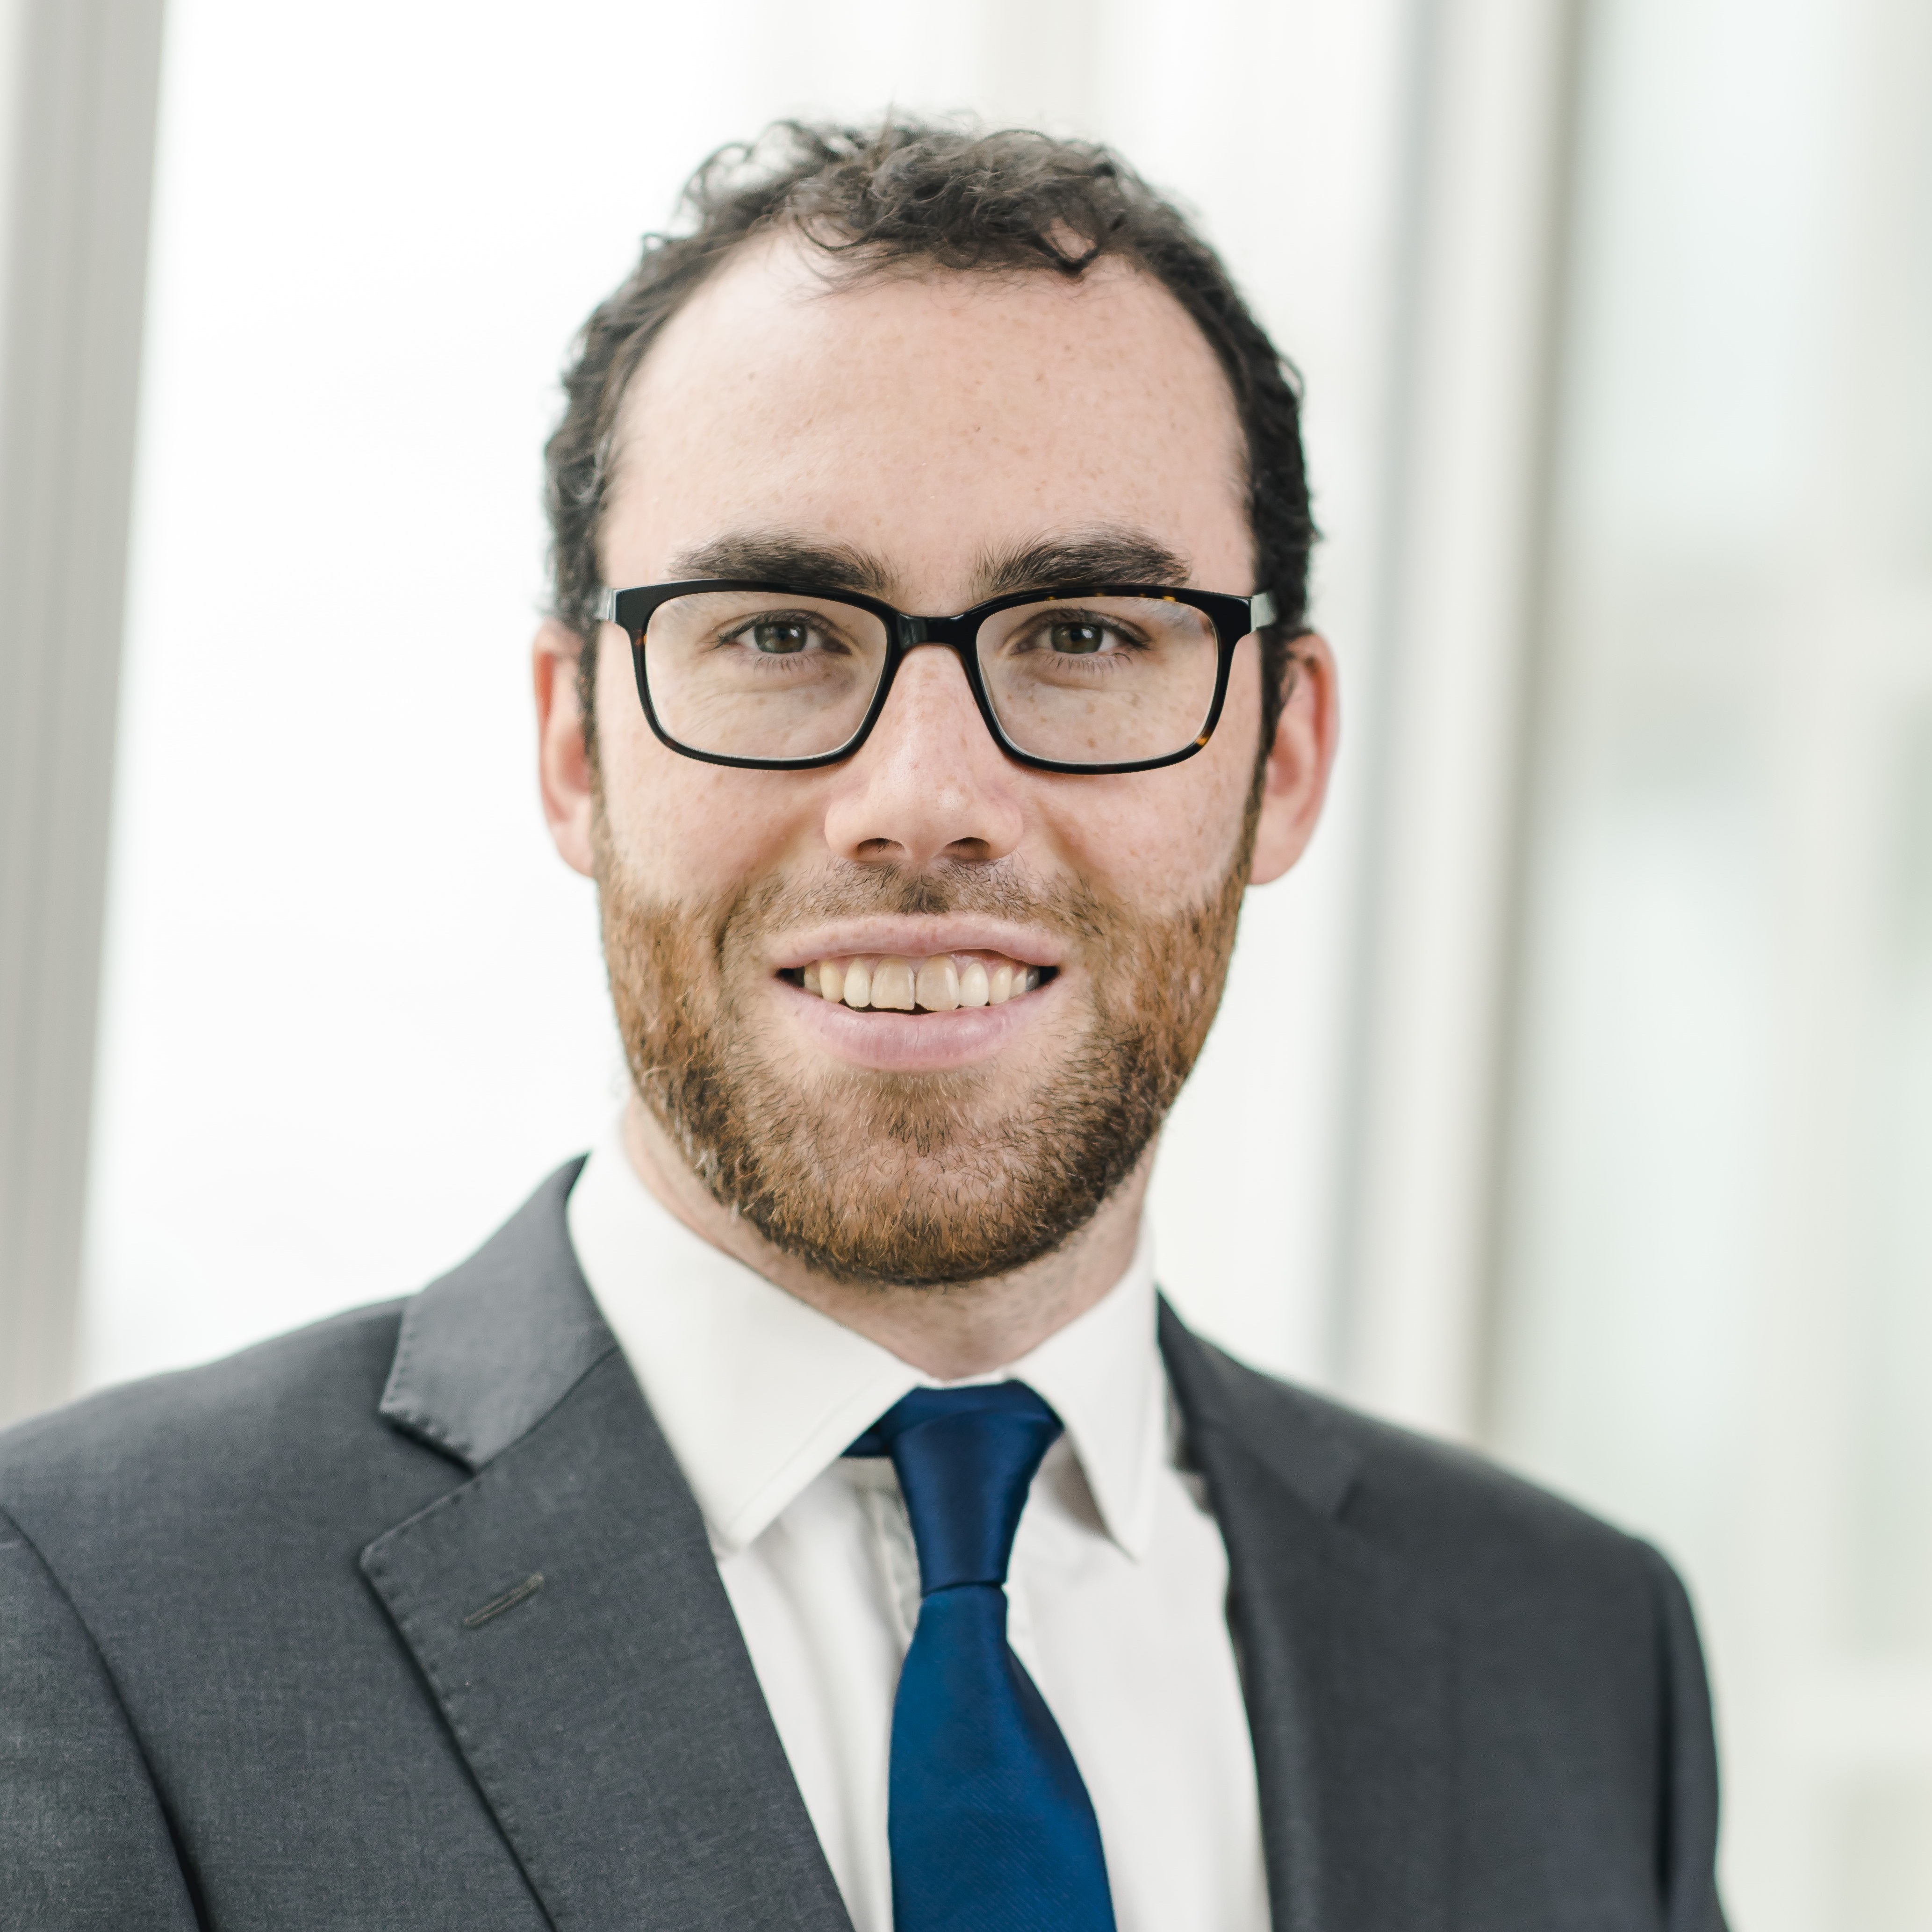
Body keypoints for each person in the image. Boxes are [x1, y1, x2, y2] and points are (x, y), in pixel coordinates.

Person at [0, 122, 1724, 1932]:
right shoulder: (85, 1608)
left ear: (1279, 754)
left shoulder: (1574, 1651)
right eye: (777, 633)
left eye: (1079, 631)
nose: (924, 796)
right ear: (573, 743)